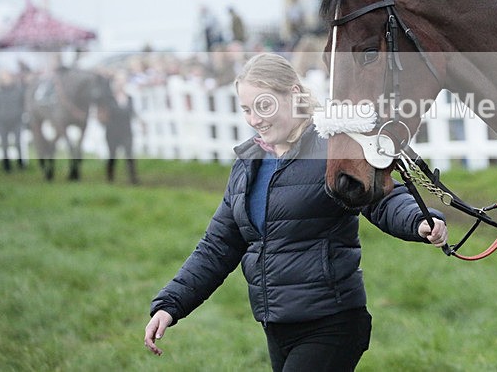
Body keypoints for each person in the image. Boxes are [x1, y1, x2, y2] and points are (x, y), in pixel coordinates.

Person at [144, 52, 448, 371]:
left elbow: (383, 199)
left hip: (331, 323)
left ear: (293, 95)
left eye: (263, 106)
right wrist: (170, 304)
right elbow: (217, 247)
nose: (253, 119)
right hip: (276, 326)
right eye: (246, 109)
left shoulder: (333, 149)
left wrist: (419, 220)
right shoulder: (248, 164)